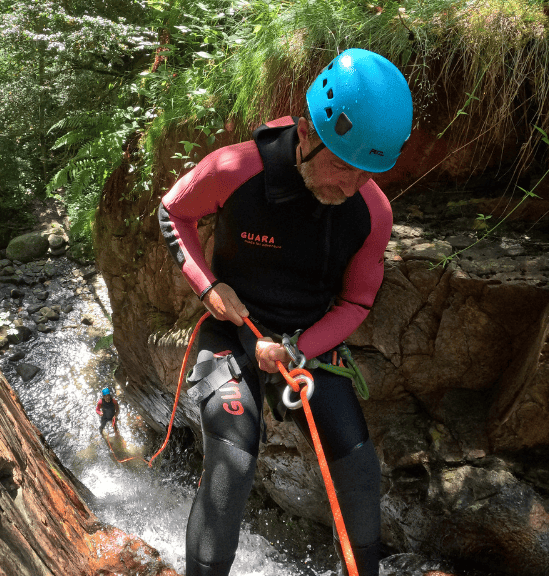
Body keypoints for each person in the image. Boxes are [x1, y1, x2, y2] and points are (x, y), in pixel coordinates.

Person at [158, 48, 412, 576]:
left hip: (308, 346)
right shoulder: (238, 168)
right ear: (304, 132)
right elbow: (173, 211)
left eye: (365, 174)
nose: (349, 185)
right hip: (231, 333)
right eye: (341, 164)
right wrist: (208, 288)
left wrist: (298, 349)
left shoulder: (372, 214)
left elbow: (357, 301)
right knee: (232, 459)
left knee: (359, 467)